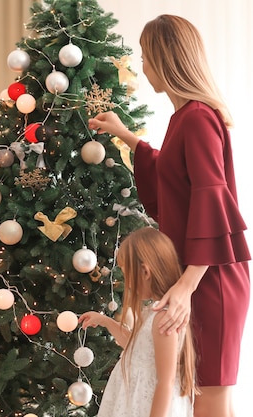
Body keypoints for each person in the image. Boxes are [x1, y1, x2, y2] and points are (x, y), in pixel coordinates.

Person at [87, 14, 250, 417]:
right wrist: (127, 135)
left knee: (209, 397)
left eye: (145, 56)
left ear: (165, 58)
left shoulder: (197, 117)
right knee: (198, 394)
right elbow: (173, 177)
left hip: (209, 277)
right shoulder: (184, 118)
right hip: (196, 275)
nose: (142, 66)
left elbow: (212, 197)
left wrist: (187, 285)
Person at [79, 227, 196, 417]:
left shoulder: (162, 319)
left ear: (145, 272)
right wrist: (105, 321)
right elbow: (136, 348)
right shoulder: (152, 312)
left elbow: (166, 382)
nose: (128, 283)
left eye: (127, 275)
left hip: (148, 405)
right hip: (135, 401)